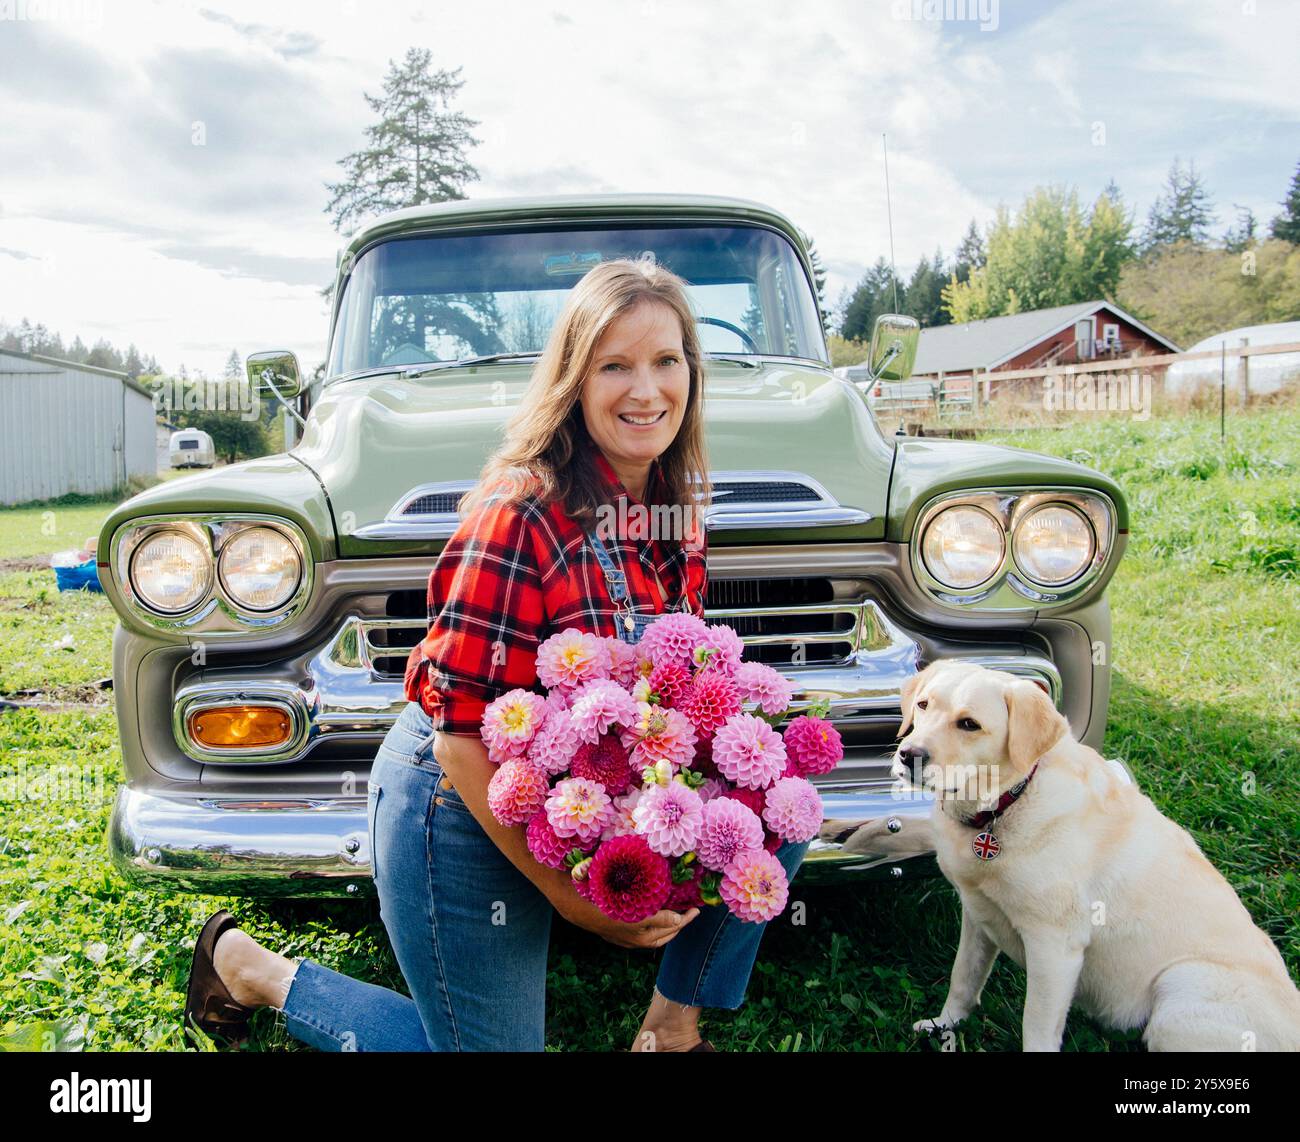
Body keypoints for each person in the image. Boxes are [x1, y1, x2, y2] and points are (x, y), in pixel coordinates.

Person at [183, 255, 810, 1051]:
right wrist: (566, 896)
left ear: (692, 371)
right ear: (575, 380)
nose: (646, 391)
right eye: (614, 366)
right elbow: (457, 732)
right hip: (458, 792)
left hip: (565, 786)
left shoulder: (671, 505)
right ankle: (253, 971)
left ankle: (671, 1027)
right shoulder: (520, 514)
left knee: (777, 794)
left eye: (665, 361)